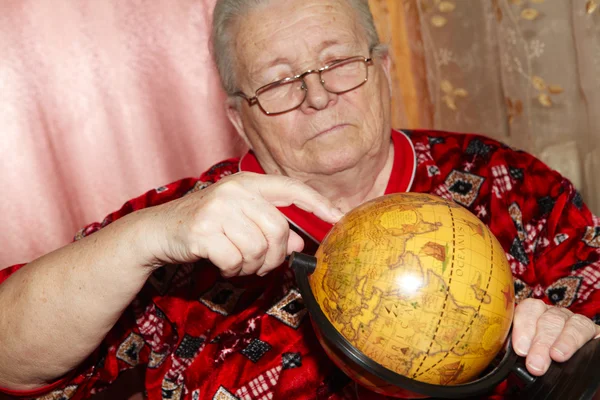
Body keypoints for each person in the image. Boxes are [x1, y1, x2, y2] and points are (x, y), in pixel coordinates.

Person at [1, 0, 599, 398]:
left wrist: (569, 351)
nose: (317, 95)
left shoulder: (511, 183)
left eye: (338, 62)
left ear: (383, 70)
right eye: (279, 80)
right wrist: (146, 239)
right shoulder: (178, 227)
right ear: (238, 117)